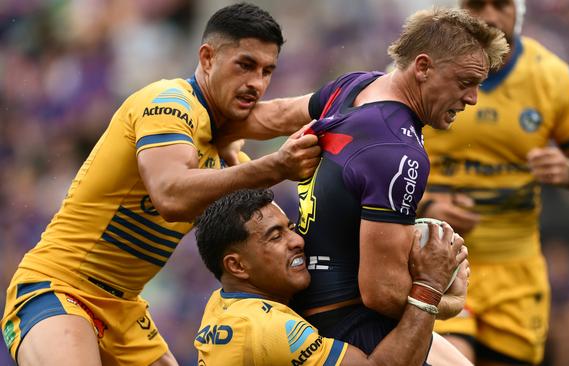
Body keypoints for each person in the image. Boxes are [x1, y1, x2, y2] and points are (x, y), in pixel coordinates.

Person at [1, 3, 321, 366]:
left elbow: (268, 236)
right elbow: (170, 194)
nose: (256, 84)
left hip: (125, 311)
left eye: (267, 71)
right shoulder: (169, 104)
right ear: (207, 57)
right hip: (60, 288)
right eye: (245, 65)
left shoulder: (230, 161)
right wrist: (276, 165)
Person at [216, 6, 508, 357]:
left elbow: (270, 116)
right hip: (353, 326)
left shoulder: (356, 85)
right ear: (423, 67)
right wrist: (446, 297)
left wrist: (211, 126)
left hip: (308, 310)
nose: (472, 98)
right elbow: (382, 292)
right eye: (465, 83)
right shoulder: (399, 153)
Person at [419, 1, 569, 365]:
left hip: (517, 274)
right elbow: (375, 168)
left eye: (502, 4)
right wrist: (427, 204)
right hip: (439, 263)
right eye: (477, 4)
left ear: (520, 10)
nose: (491, 16)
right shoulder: (422, 72)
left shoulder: (551, 77)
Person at [193, 188, 466, 366]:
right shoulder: (269, 328)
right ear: (237, 266)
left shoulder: (221, 304)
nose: (297, 241)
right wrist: (428, 285)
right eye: (276, 236)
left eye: (290, 228)